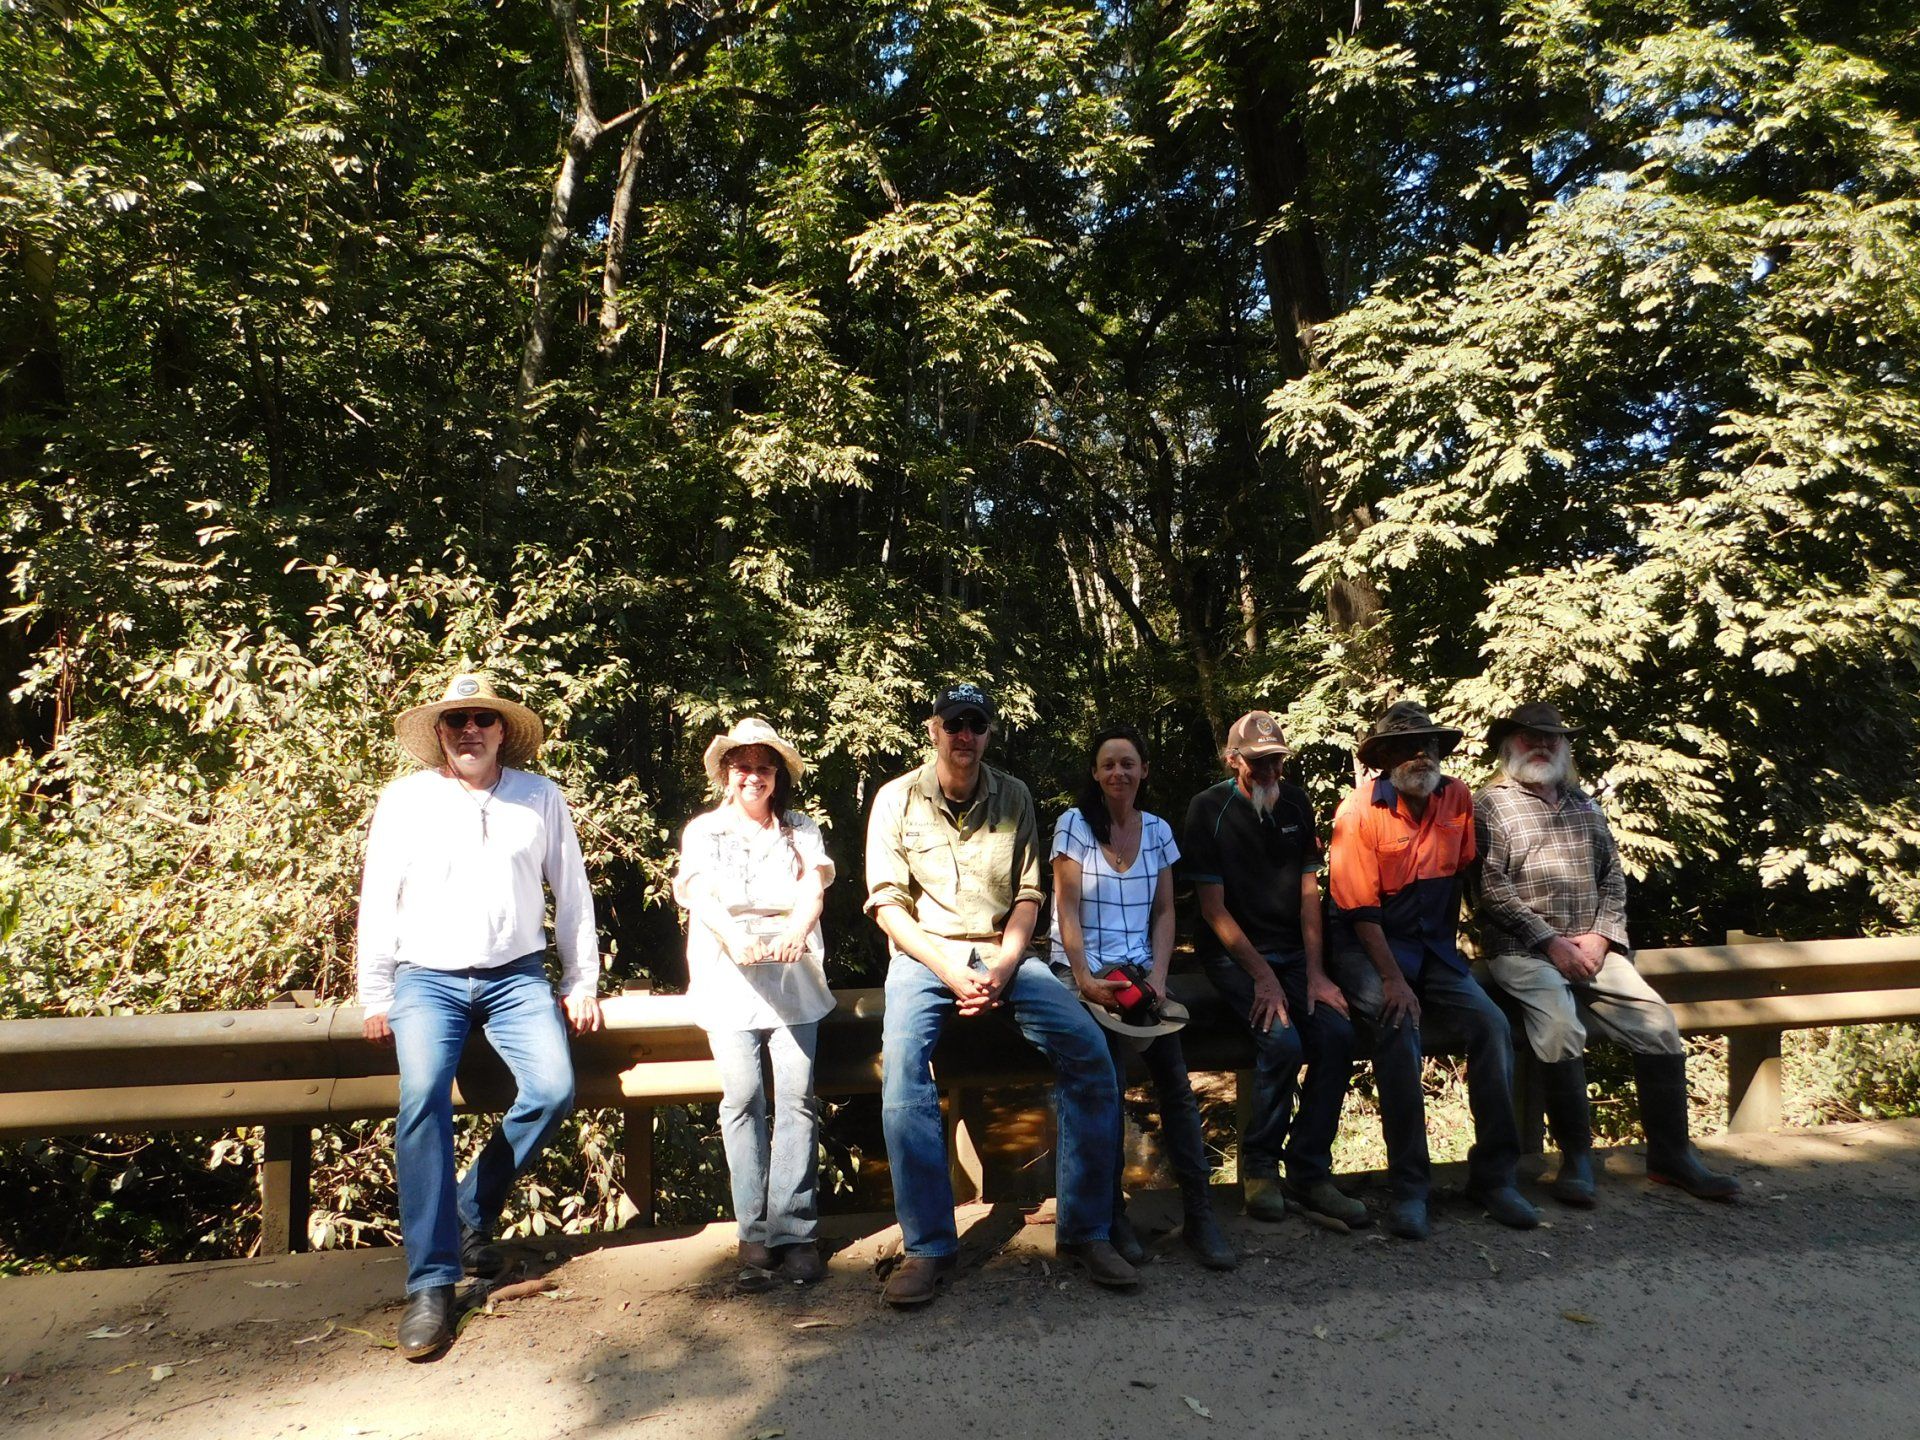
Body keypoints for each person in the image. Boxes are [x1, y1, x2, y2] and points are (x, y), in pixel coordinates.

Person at [356, 673, 603, 1359]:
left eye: (483, 720)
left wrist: (581, 979)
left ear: (502, 732)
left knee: (553, 1089)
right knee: (421, 1099)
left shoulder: (539, 796)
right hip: (425, 978)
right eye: (457, 719)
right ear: (440, 732)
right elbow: (379, 894)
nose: (470, 730)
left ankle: (469, 1209)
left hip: (516, 974)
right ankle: (432, 1284)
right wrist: (375, 991)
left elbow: (572, 891)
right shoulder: (405, 799)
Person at [866, 683, 1135, 1306]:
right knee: (902, 1068)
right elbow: (888, 907)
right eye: (954, 723)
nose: (965, 734)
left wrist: (1005, 962)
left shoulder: (1014, 796)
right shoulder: (895, 799)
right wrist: (949, 969)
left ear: (989, 733)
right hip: (923, 955)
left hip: (1003, 952)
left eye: (977, 724)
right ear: (933, 729)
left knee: (1089, 1051)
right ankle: (928, 1247)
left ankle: (1087, 1231)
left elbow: (1029, 896)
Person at [1474, 702, 1740, 1205]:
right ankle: (1577, 1159)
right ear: (1509, 745)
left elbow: (1613, 878)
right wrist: (1550, 942)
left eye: (1552, 737)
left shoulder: (1584, 804)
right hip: (1524, 950)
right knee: (1560, 1027)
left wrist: (1601, 936)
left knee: (1657, 1022)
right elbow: (1491, 889)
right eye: (1531, 737)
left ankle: (1671, 1157)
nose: (1542, 745)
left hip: (1593, 948)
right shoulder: (1490, 804)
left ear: (1564, 747)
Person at [1326, 701, 1539, 1240]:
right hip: (1367, 946)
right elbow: (1360, 912)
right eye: (1405, 747)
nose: (1420, 754)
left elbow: (1458, 874)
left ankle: (1494, 1178)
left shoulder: (1457, 796)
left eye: (1428, 744)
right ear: (1383, 759)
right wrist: (1394, 981)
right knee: (1398, 1026)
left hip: (1434, 947)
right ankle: (1410, 1188)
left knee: (1492, 1026)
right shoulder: (1357, 811)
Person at [1053, 726, 1238, 1271]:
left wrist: (1158, 975)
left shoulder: (1157, 831)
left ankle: (1199, 1215)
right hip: (1086, 974)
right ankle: (1111, 1215)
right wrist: (1085, 979)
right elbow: (1066, 909)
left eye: (1128, 763)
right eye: (1108, 764)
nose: (1119, 772)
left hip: (1139, 977)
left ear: (1144, 771)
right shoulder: (1073, 825)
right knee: (1108, 1086)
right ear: (1095, 773)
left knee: (1176, 1087)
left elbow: (1164, 912)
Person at [1182, 711, 1366, 1232]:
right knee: (1281, 1041)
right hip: (1233, 953)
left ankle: (1310, 1169)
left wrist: (1317, 973)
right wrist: (1263, 977)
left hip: (1293, 952)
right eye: (1257, 762)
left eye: (1276, 761)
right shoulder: (1208, 809)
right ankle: (1260, 1167)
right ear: (1233, 760)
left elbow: (1310, 894)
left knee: (1337, 1035)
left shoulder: (1296, 803)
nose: (1268, 771)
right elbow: (1213, 909)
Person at [674, 718, 837, 1286]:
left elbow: (813, 888)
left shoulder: (801, 828)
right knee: (742, 1097)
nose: (753, 776)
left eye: (763, 767)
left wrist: (795, 930)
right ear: (726, 773)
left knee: (796, 1100)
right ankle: (754, 1229)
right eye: (742, 766)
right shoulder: (703, 830)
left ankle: (795, 1230)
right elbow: (699, 894)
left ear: (777, 775)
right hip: (726, 973)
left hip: (794, 975)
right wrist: (733, 938)